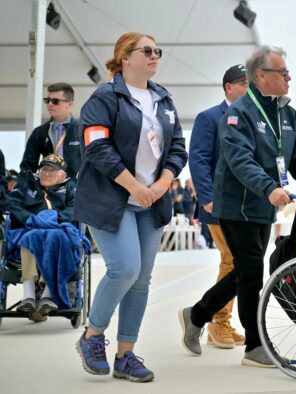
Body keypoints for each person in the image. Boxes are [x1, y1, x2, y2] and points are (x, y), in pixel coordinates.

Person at [179, 45, 296, 367]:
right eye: (282, 72)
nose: (288, 77)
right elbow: (240, 160)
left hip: (265, 206)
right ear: (261, 76)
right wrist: (269, 188)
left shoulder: (287, 114)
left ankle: (197, 314)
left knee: (244, 270)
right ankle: (255, 346)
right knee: (251, 272)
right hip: (236, 207)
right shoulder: (237, 114)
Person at [73, 32, 187, 383]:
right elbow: (96, 146)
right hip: (113, 199)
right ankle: (93, 336)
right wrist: (135, 185)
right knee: (124, 269)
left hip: (151, 202)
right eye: (147, 50)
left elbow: (178, 148)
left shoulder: (163, 99)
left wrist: (161, 184)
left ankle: (125, 355)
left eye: (158, 50)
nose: (155, 56)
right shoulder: (105, 97)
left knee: (141, 280)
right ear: (124, 57)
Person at [187, 64, 248, 349]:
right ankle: (216, 322)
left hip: (245, 205)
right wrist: (207, 196)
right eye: (245, 84)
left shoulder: (251, 118)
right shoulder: (209, 118)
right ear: (229, 87)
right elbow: (198, 159)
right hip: (217, 202)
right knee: (232, 260)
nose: (251, 90)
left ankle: (221, 321)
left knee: (236, 262)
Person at [5, 154, 77, 317]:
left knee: (54, 238)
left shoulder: (71, 188)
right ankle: (29, 296)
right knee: (30, 238)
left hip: (57, 231)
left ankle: (47, 296)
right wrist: (29, 218)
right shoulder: (27, 186)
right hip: (30, 229)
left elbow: (76, 208)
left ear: (63, 175)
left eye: (51, 170)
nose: (45, 173)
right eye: (43, 169)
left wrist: (56, 218)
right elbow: (10, 204)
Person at [20, 82, 82, 182]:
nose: (49, 104)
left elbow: (94, 162)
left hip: (77, 191)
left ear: (70, 104)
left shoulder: (82, 129)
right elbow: (27, 167)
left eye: (55, 101)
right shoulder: (40, 132)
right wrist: (23, 192)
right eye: (47, 100)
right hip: (50, 191)